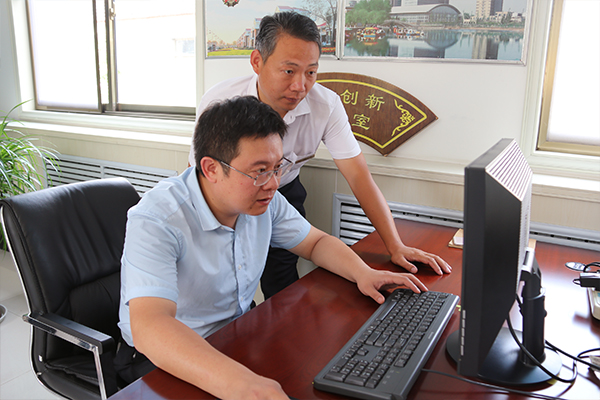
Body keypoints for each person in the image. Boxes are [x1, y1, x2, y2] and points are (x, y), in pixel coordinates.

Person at [117, 96, 428, 399]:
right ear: (211, 169)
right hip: (166, 355)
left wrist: (363, 273)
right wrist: (240, 386)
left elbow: (315, 243)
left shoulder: (262, 199)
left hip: (235, 334)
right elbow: (151, 327)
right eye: (259, 171)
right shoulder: (157, 219)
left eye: (278, 167)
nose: (273, 183)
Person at [188, 12, 451, 300]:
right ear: (257, 61)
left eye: (311, 72)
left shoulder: (325, 105)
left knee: (282, 282)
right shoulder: (221, 104)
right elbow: (198, 175)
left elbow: (358, 177)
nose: (300, 86)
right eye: (289, 71)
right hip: (225, 197)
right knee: (222, 280)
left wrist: (395, 246)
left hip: (282, 193)